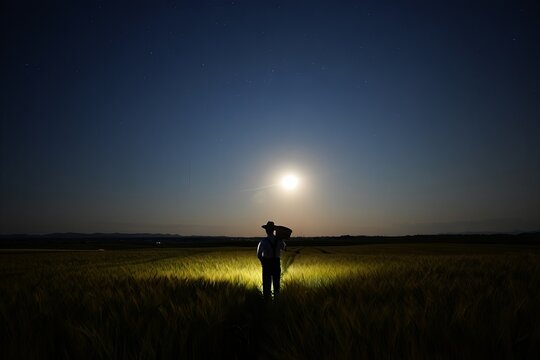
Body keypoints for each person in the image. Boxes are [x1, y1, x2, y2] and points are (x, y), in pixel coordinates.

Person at [257, 221, 287, 300]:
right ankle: (276, 303)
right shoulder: (280, 241)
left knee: (266, 286)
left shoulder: (263, 241)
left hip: (267, 264)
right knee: (277, 285)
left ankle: (267, 303)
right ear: (274, 230)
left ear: (266, 230)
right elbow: (284, 248)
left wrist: (263, 262)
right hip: (276, 264)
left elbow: (259, 254)